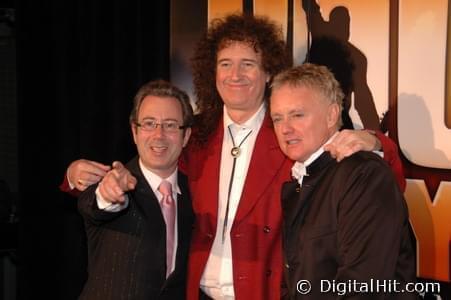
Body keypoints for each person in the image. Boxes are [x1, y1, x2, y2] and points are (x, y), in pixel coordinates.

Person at [61, 14, 405, 299]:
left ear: (268, 71)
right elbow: (143, 172)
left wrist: (372, 140)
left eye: (248, 64)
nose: (235, 74)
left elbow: (381, 175)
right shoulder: (195, 139)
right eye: (225, 63)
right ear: (212, 72)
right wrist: (77, 173)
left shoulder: (290, 137)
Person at [270, 63, 416, 299]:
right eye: (277, 118)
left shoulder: (363, 175)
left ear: (331, 115)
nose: (285, 128)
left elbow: (363, 286)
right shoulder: (302, 179)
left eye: (297, 115)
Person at [77, 80, 194, 299]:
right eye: (149, 123)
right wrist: (108, 193)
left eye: (170, 125)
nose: (158, 135)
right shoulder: (114, 181)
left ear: (185, 135)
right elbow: (94, 205)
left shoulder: (195, 194)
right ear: (134, 131)